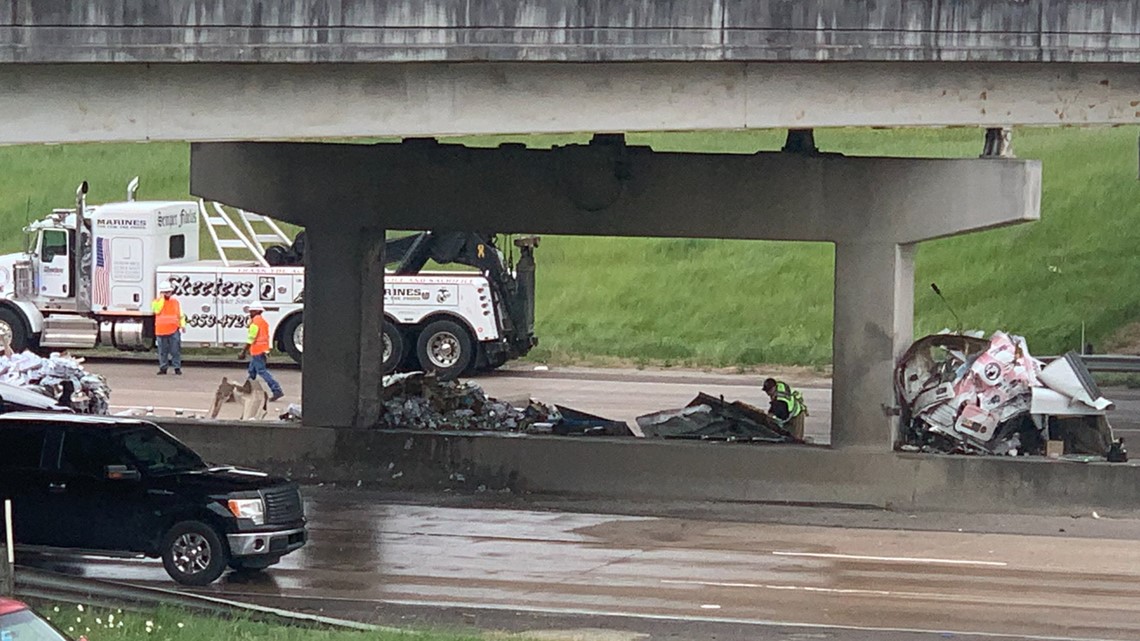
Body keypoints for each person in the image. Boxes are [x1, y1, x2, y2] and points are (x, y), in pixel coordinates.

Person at [239, 303, 284, 402]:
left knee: (261, 371)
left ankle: (276, 390)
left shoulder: (256, 322)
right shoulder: (262, 321)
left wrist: (243, 351)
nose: (250, 313)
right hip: (262, 350)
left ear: (257, 311)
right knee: (252, 371)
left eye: (252, 311)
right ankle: (246, 390)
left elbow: (251, 338)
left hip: (257, 350)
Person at [152, 281, 186, 375]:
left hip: (173, 329)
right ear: (161, 293)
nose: (167, 294)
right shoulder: (156, 302)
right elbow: (157, 310)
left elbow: (180, 314)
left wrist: (182, 325)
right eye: (165, 292)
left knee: (175, 350)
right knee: (162, 351)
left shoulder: (175, 302)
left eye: (168, 292)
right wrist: (162, 299)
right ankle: (163, 368)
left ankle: (177, 368)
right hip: (161, 330)